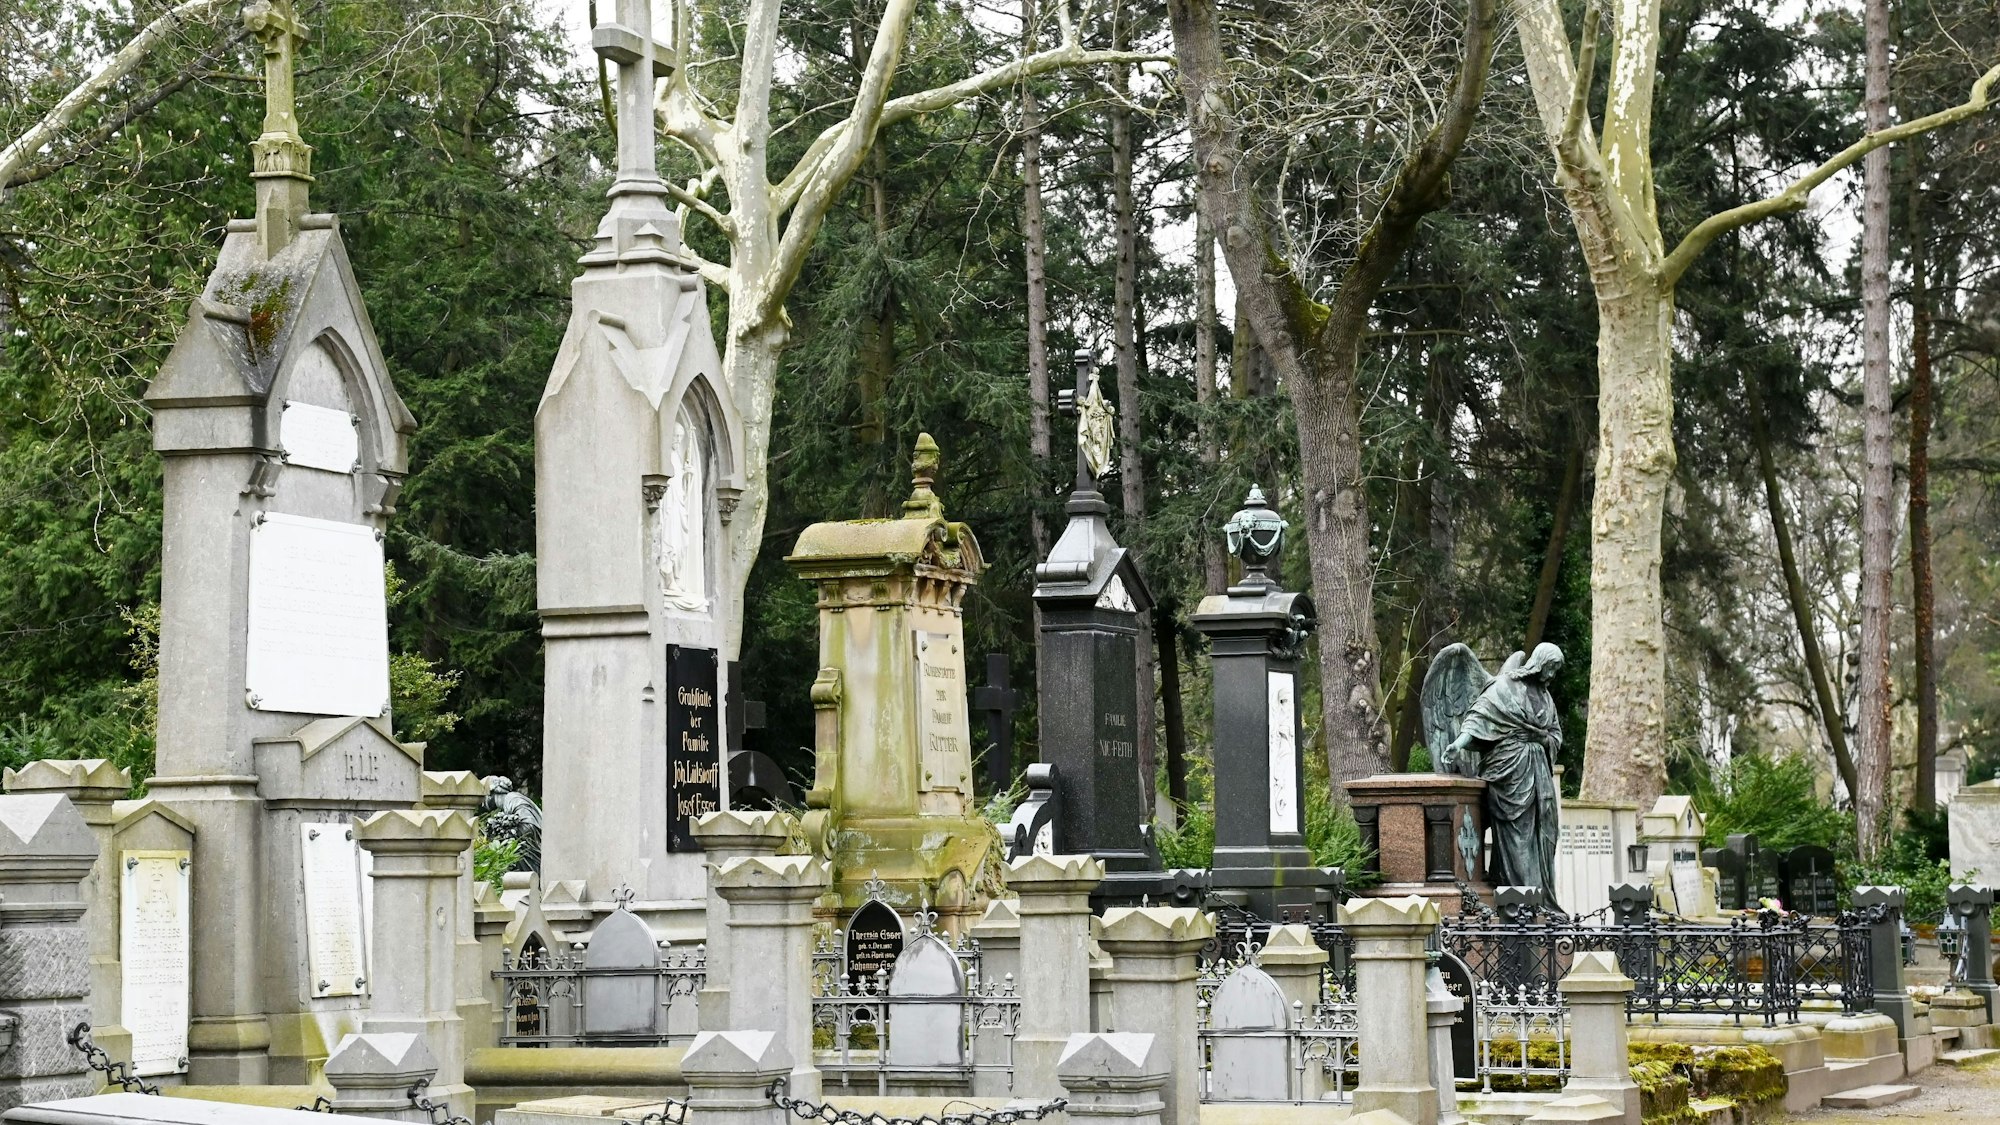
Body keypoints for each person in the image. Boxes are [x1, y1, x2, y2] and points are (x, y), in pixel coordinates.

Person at [1442, 643, 1564, 906]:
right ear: (1540, 662)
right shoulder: (1506, 686)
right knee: (1517, 837)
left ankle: (1541, 900)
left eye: (1556, 670)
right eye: (1551, 668)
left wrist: (1540, 737)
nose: (1553, 675)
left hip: (1539, 775)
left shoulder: (1546, 698)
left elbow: (1555, 735)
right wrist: (1458, 745)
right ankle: (1522, 903)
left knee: (1546, 835)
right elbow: (1478, 718)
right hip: (1510, 775)